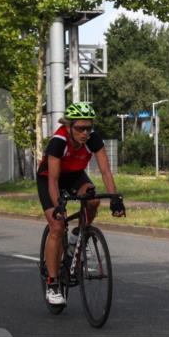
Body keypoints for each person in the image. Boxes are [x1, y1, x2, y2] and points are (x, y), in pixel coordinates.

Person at [37, 102, 125, 305]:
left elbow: (105, 172)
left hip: (75, 176)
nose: (85, 133)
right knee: (57, 226)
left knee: (93, 200)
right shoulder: (59, 141)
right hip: (50, 179)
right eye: (80, 128)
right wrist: (58, 206)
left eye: (89, 127)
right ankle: (52, 284)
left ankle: (77, 236)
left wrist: (115, 199)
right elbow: (53, 180)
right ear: (69, 126)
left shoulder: (93, 139)